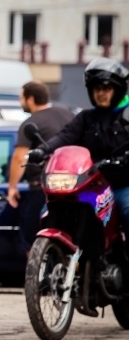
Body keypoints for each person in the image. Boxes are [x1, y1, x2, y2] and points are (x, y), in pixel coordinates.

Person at [28, 58, 129, 243]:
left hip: (122, 183)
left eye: (106, 89)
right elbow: (64, 137)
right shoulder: (86, 118)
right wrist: (42, 150)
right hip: (91, 183)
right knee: (47, 211)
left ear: (118, 90)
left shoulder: (127, 116)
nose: (101, 94)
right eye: (96, 89)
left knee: (127, 210)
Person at [7, 81, 74, 254]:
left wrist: (12, 187)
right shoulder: (67, 114)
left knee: (32, 240)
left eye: (21, 98)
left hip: (43, 188)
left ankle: (37, 270)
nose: (20, 102)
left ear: (30, 99)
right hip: (75, 186)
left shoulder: (31, 123)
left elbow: (19, 158)